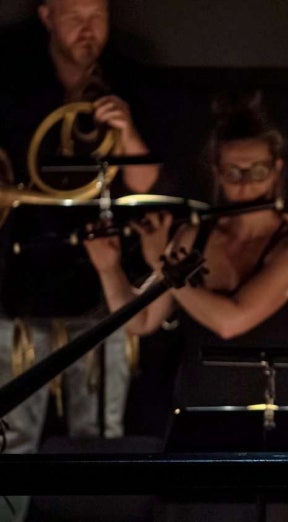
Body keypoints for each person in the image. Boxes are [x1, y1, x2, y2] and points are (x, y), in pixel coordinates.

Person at [84, 92, 288, 412]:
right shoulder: (194, 236)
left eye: (258, 171)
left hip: (269, 409)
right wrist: (108, 267)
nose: (246, 184)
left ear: (276, 169)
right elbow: (143, 321)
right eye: (233, 172)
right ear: (217, 172)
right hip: (196, 404)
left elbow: (229, 322)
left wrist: (162, 265)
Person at [0, 0, 159, 460]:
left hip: (102, 290)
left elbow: (146, 182)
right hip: (22, 283)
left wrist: (126, 130)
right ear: (47, 16)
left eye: (97, 16)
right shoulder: (13, 82)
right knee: (13, 436)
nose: (88, 29)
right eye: (75, 16)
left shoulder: (128, 80)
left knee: (99, 440)